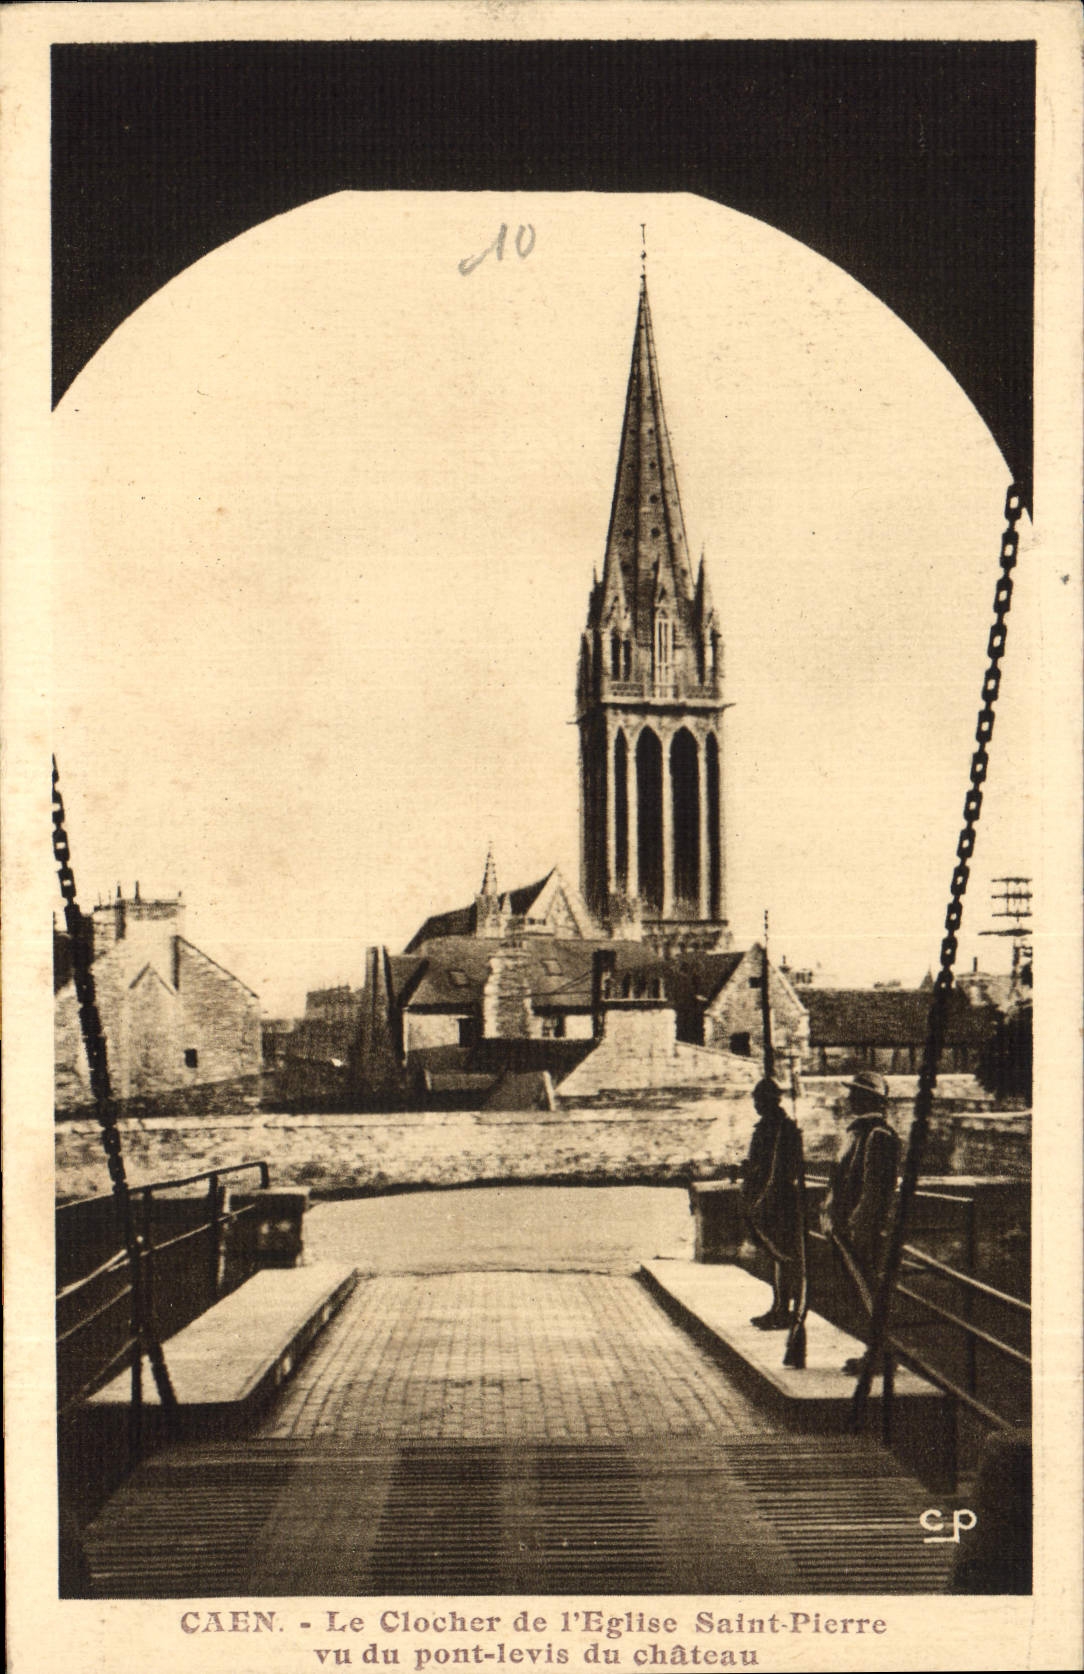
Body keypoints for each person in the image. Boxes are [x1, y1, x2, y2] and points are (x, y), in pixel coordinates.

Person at [822, 1069, 902, 1374]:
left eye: (855, 1093)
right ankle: (874, 1349)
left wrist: (859, 1227)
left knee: (869, 1291)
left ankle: (881, 1353)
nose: (849, 1098)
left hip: (862, 1231)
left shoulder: (878, 1136)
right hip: (847, 1229)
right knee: (860, 1291)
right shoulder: (859, 1133)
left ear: (869, 1098)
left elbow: (874, 1191)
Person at [741, 1076, 804, 1329]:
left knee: (783, 1256)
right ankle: (779, 1306)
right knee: (777, 1257)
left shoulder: (780, 1128)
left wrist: (761, 1201)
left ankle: (785, 1309)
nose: (755, 1105)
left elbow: (778, 1170)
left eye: (758, 1100)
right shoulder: (771, 1126)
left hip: (777, 1201)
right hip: (769, 1198)